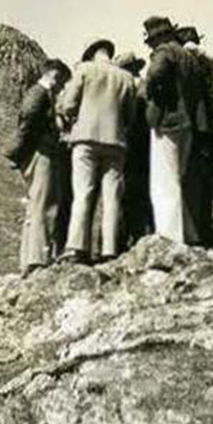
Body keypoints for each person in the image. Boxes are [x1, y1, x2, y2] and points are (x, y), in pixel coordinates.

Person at [57, 38, 137, 263]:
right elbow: (130, 115)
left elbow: (69, 104)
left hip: (85, 139)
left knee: (83, 193)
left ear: (91, 53)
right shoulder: (126, 77)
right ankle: (109, 249)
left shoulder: (84, 70)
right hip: (116, 141)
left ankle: (77, 247)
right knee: (112, 197)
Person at [5, 60, 72, 276]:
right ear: (54, 75)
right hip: (41, 153)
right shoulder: (39, 93)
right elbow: (28, 120)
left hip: (37, 152)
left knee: (37, 205)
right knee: (43, 204)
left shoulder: (40, 94)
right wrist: (23, 151)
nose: (61, 87)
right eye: (61, 81)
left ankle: (29, 259)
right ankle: (37, 259)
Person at [144, 17, 201, 245]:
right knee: (176, 179)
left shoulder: (164, 51)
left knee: (164, 182)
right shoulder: (187, 56)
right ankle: (189, 234)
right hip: (188, 123)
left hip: (167, 121)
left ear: (156, 38)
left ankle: (170, 237)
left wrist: (151, 93)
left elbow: (156, 74)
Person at [177, 25, 213, 244]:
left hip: (193, 127)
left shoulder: (186, 63)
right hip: (206, 127)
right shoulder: (203, 64)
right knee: (205, 179)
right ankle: (203, 227)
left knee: (193, 179)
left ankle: (197, 229)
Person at [115, 51, 154, 247]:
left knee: (129, 191)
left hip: (132, 144)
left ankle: (129, 236)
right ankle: (141, 233)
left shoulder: (129, 87)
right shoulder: (144, 85)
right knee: (141, 190)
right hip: (145, 143)